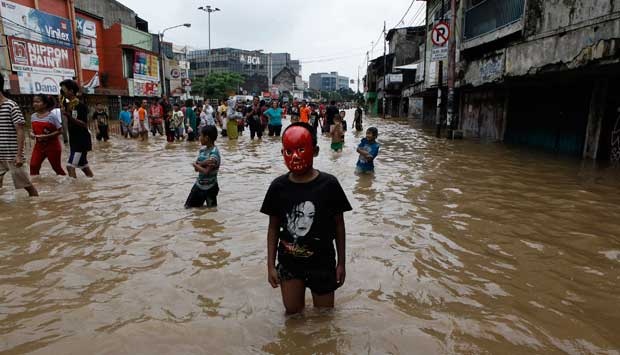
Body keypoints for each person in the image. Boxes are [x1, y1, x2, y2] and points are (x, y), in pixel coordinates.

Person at [261, 122, 352, 314]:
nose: (295, 156)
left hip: (323, 262)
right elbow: (273, 228)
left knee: (324, 318)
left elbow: (339, 226)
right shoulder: (278, 187)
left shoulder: (329, 185)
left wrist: (341, 263)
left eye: (301, 149)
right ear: (282, 153)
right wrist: (270, 265)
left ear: (315, 151)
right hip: (289, 263)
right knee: (293, 314)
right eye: (289, 151)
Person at [0, 73, 38, 196]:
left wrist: (19, 155)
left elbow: (20, 130)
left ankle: (36, 207)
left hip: (12, 154)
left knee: (26, 185)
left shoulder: (11, 106)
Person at [60, 79, 93, 179]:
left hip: (81, 141)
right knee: (83, 166)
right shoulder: (67, 105)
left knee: (70, 167)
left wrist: (70, 118)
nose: (62, 91)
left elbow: (84, 124)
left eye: (64, 89)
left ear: (71, 91)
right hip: (74, 140)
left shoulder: (80, 106)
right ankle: (92, 183)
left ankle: (75, 192)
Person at [29, 94, 65, 176]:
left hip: (53, 146)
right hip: (39, 146)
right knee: (33, 166)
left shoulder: (52, 116)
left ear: (45, 104)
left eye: (38, 102)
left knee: (56, 168)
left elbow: (60, 130)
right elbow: (32, 130)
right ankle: (37, 185)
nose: (35, 104)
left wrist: (46, 136)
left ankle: (67, 183)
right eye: (34, 102)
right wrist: (31, 134)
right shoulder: (33, 116)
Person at [185, 125, 220, 208]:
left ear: (206, 138)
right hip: (199, 184)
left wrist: (196, 164)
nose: (199, 137)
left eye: (201, 135)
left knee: (211, 211)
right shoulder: (202, 150)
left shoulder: (214, 153)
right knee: (188, 208)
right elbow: (196, 170)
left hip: (211, 187)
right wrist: (202, 164)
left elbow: (206, 171)